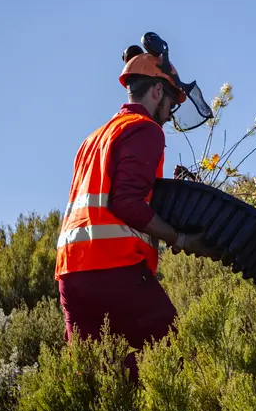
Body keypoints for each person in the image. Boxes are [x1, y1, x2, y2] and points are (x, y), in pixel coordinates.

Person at [54, 37, 213, 382]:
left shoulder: (94, 138)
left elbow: (104, 201)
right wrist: (180, 238)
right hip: (115, 268)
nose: (171, 115)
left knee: (91, 378)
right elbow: (124, 202)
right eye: (171, 102)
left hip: (71, 271)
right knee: (171, 361)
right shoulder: (146, 130)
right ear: (157, 91)